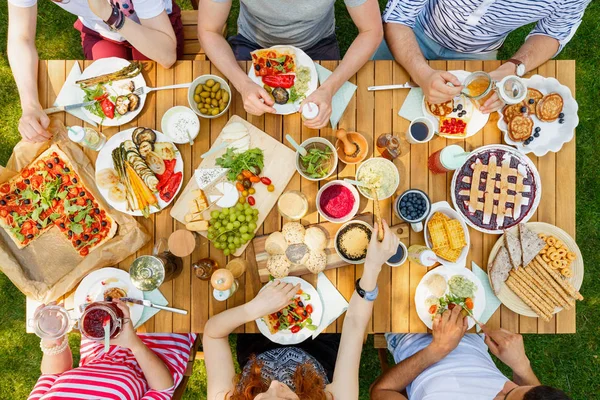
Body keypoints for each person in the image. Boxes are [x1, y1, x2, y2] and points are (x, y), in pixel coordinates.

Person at [203, 220, 400, 399]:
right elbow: (355, 324)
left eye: (261, 397)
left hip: (257, 344)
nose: (273, 384)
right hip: (321, 348)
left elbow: (213, 335)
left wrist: (253, 309)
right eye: (286, 398)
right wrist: (374, 266)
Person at [7, 0, 184, 143]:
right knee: (109, 105)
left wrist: (109, 14)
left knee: (157, 100)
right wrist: (29, 106)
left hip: (153, 30)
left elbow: (166, 55)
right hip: (100, 32)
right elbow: (20, 39)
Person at [197, 0, 384, 129]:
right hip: (253, 43)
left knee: (333, 121)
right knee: (240, 122)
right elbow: (208, 31)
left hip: (317, 44)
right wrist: (243, 84)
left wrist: (329, 89)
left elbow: (372, 31)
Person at [381, 0, 591, 112]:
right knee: (372, 96)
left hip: (478, 53)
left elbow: (552, 32)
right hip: (413, 28)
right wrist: (421, 73)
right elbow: (400, 16)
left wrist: (513, 68)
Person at [370, 306, 571, 400]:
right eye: (511, 388)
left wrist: (437, 350)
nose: (501, 389)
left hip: (408, 335)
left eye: (506, 396)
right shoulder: (527, 393)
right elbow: (532, 390)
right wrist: (522, 365)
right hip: (471, 332)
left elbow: (380, 391)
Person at [28, 300, 195, 400]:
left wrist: (52, 338)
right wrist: (133, 343)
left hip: (100, 344)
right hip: (158, 350)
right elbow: (162, 389)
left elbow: (52, 375)